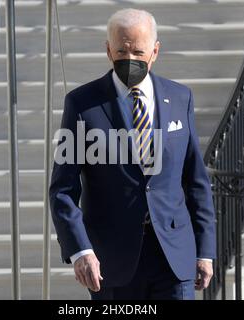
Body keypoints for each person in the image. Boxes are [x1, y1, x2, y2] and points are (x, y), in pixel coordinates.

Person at [49, 8, 216, 300]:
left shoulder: (180, 98)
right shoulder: (81, 104)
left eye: (138, 51)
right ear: (108, 50)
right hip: (111, 262)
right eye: (122, 50)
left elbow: (196, 181)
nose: (130, 59)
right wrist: (80, 250)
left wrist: (205, 250)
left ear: (155, 51)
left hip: (174, 257)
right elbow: (62, 189)